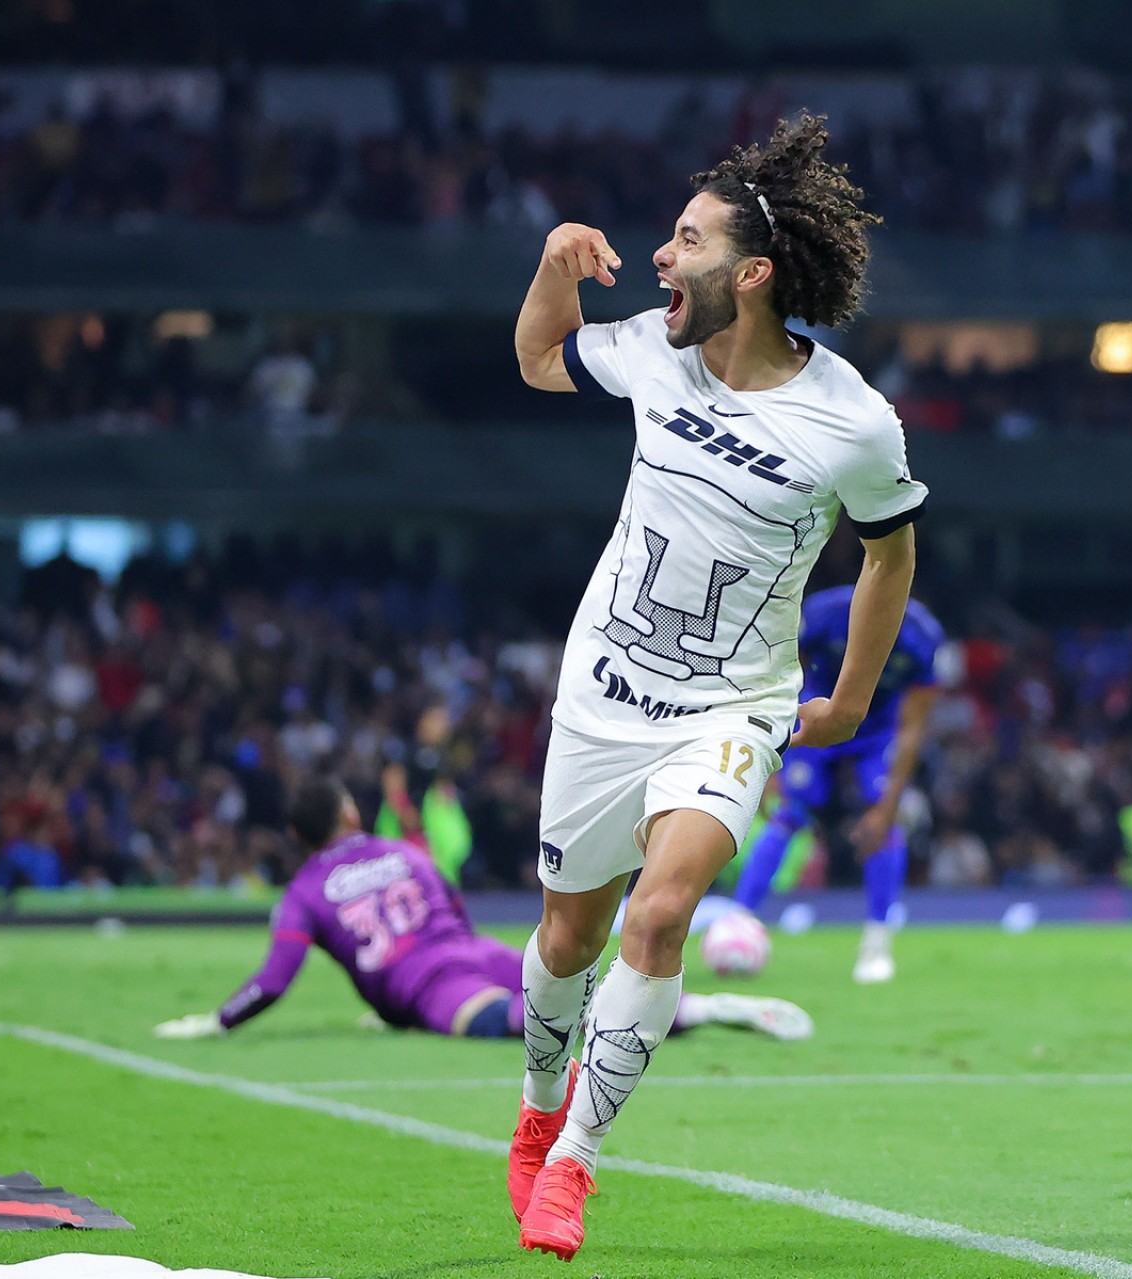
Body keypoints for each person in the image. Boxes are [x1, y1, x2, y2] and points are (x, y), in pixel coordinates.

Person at [508, 113, 925, 1260]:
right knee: (566, 938)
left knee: (660, 912)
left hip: (731, 709)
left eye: (686, 239)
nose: (660, 254)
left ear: (750, 274)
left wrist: (850, 697)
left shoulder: (853, 422)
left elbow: (890, 556)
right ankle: (538, 1109)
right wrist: (552, 266)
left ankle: (576, 1159)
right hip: (604, 694)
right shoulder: (652, 349)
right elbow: (539, 359)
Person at [152, 778, 811, 1044]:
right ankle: (680, 1001)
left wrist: (218, 1019)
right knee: (555, 983)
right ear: (350, 815)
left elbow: (274, 979)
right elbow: (452, 906)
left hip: (430, 983)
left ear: (299, 836)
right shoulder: (402, 852)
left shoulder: (304, 891)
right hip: (480, 949)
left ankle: (694, 1013)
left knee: (511, 1023)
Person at [731, 586, 945, 983]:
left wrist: (889, 804)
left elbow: (913, 727)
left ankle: (877, 941)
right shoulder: (823, 613)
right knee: (789, 813)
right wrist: (771, 761)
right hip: (818, 711)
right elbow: (780, 677)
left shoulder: (922, 636)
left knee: (884, 826)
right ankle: (739, 923)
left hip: (877, 730)